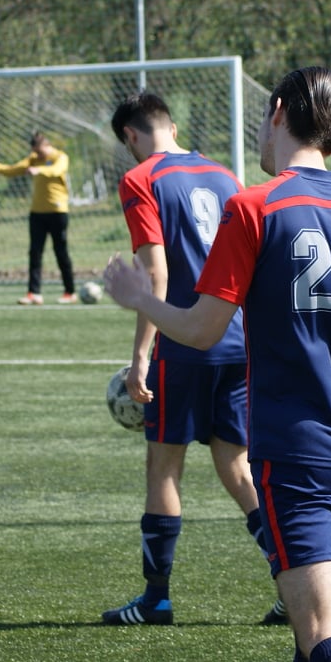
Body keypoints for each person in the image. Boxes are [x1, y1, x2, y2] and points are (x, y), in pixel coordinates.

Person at [102, 67, 331, 662]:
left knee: (323, 634)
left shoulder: (256, 207)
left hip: (295, 450)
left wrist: (139, 298)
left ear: (277, 111)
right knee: (311, 641)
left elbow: (201, 329)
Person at [101, 90, 284, 627]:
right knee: (237, 467)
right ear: (173, 127)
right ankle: (293, 583)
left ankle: (155, 600)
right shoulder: (226, 177)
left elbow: (154, 273)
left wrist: (140, 356)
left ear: (130, 136)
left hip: (182, 342)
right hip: (236, 338)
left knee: (164, 467)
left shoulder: (141, 179)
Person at [0, 131, 77, 305]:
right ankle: (34, 293)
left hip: (58, 212)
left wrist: (39, 170)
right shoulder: (33, 158)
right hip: (37, 213)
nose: (38, 155)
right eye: (35, 152)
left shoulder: (60, 157)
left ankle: (70, 292)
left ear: (47, 146)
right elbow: (14, 169)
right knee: (35, 252)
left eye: (40, 152)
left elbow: (56, 170)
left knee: (61, 252)